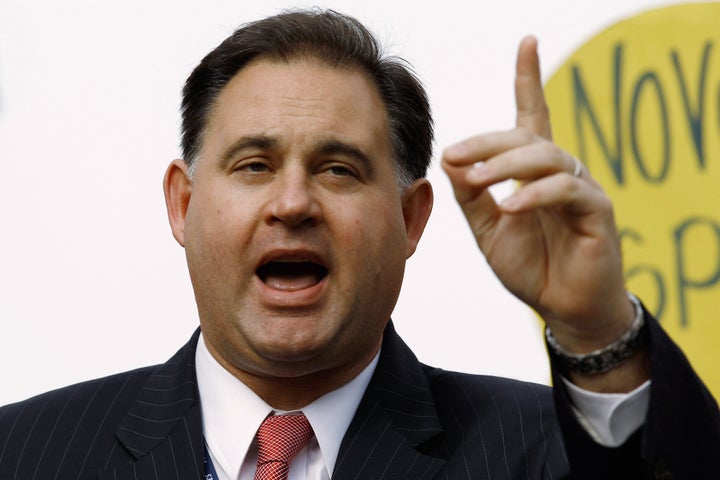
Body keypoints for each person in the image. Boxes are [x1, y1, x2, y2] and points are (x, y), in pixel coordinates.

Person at [0, 9, 718, 480]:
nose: (291, 203)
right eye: (254, 165)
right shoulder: (27, 454)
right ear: (183, 205)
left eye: (339, 169)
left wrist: (595, 329)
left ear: (411, 220)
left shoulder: (543, 453)